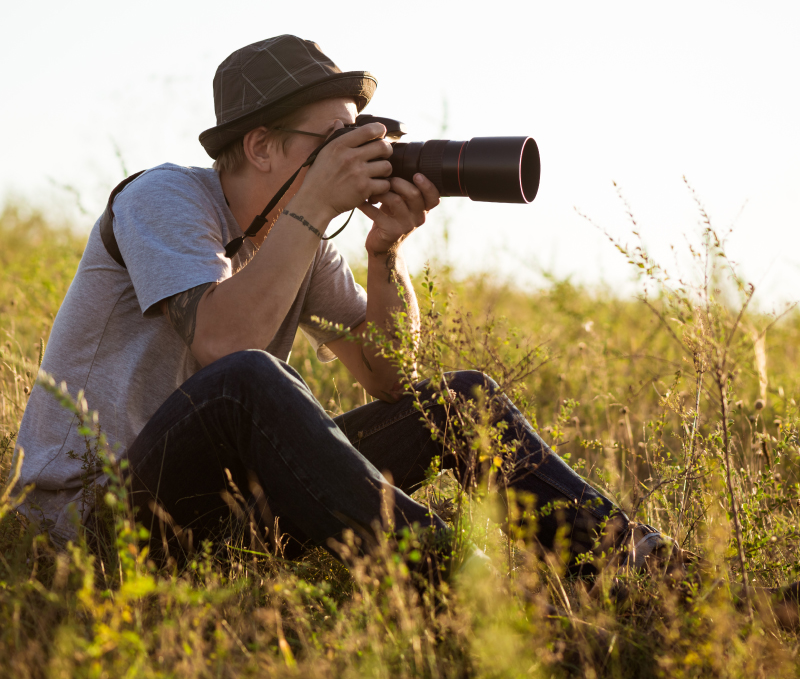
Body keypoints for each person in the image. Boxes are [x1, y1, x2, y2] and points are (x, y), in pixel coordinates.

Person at [14, 34, 683, 578]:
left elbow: (390, 377)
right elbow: (223, 346)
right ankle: (474, 589)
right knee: (248, 382)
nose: (359, 153)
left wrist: (385, 254)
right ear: (262, 145)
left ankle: (646, 574)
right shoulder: (165, 199)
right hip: (90, 524)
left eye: (360, 135)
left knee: (460, 401)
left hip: (218, 518)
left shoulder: (297, 236)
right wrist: (312, 208)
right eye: (335, 138)